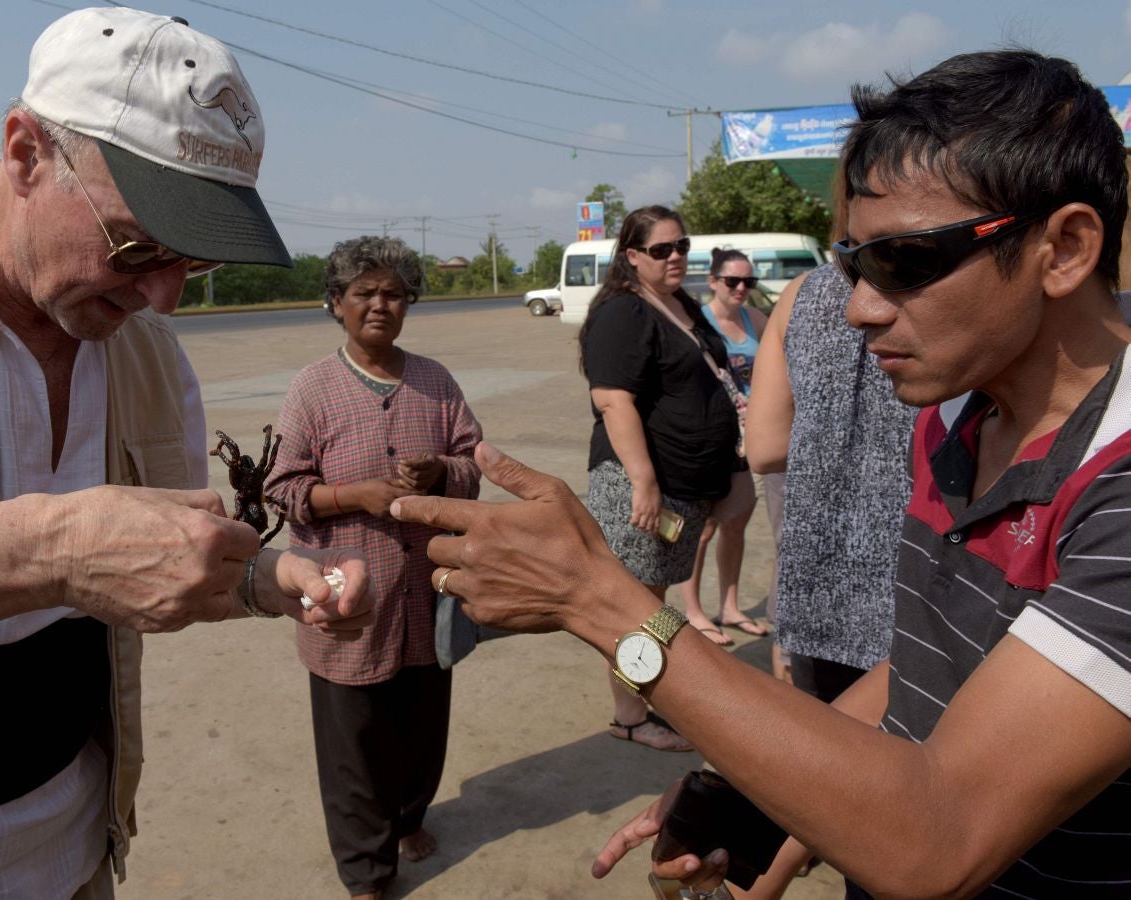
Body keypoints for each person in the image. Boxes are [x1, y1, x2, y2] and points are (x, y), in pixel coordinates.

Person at [392, 49, 1131, 899]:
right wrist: (761, 789)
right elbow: (928, 668)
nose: (858, 307)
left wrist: (599, 601)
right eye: (854, 264)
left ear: (1067, 247)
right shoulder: (957, 419)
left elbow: (943, 835)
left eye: (906, 262)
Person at [0, 9, 373, 897]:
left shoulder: (146, 353)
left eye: (196, 264)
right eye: (138, 245)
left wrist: (259, 581)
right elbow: (70, 556)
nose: (164, 297)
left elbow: (147, 563)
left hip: (70, 853)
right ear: (25, 152)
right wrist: (47, 551)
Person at [264, 236, 482, 899]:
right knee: (352, 747)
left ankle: (409, 816)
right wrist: (352, 496)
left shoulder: (436, 382)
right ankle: (366, 871)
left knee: (421, 729)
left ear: (409, 303)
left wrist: (441, 470)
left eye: (393, 293)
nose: (379, 305)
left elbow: (474, 465)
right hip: (347, 605)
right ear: (336, 304)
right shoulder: (312, 389)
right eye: (364, 293)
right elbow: (281, 488)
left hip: (426, 595)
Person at [578, 206, 740, 752]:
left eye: (682, 246)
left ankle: (642, 699)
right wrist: (644, 482)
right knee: (634, 606)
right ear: (631, 256)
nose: (675, 257)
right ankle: (629, 714)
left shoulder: (679, 304)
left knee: (652, 600)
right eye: (660, 250)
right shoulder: (624, 312)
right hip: (643, 487)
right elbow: (612, 400)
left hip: (682, 488)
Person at [746, 261, 915, 704]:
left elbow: (763, 447)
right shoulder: (958, 280)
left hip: (820, 600)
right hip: (922, 602)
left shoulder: (801, 294)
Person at [678, 248, 770, 643]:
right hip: (714, 438)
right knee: (703, 529)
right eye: (732, 281)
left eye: (748, 282)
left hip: (750, 438)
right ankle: (694, 611)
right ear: (713, 281)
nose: (741, 289)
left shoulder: (756, 319)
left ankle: (729, 607)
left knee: (736, 525)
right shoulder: (699, 321)